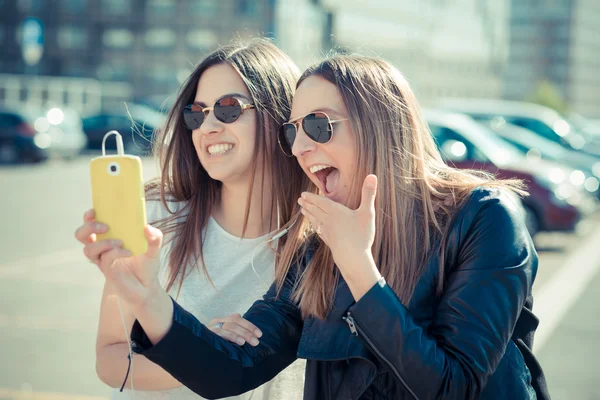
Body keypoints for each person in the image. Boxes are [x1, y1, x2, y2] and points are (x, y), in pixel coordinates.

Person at [91, 54, 551, 399]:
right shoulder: (318, 249)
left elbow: (453, 387)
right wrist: (146, 296)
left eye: (319, 125)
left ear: (380, 125)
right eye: (293, 131)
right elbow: (232, 367)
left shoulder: (483, 217)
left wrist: (361, 272)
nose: (301, 147)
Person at [74, 39, 307, 399]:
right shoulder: (157, 220)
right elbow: (109, 357)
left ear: (279, 115)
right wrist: (204, 357)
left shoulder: (316, 244)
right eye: (196, 114)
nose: (207, 126)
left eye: (228, 109)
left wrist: (212, 357)